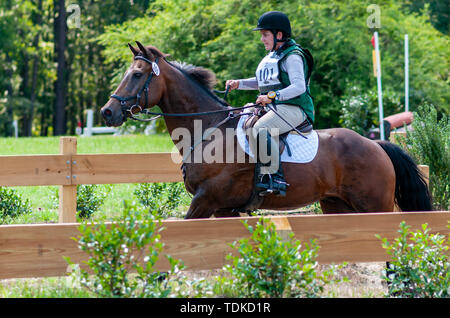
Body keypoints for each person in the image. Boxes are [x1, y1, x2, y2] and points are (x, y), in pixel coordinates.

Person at [226, 11, 315, 196]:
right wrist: (239, 83)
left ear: (279, 35)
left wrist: (273, 96)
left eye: (265, 34)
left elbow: (298, 87)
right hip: (276, 107)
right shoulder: (273, 56)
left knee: (261, 129)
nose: (262, 39)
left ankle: (275, 177)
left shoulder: (293, 56)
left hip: (296, 108)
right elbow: (263, 82)